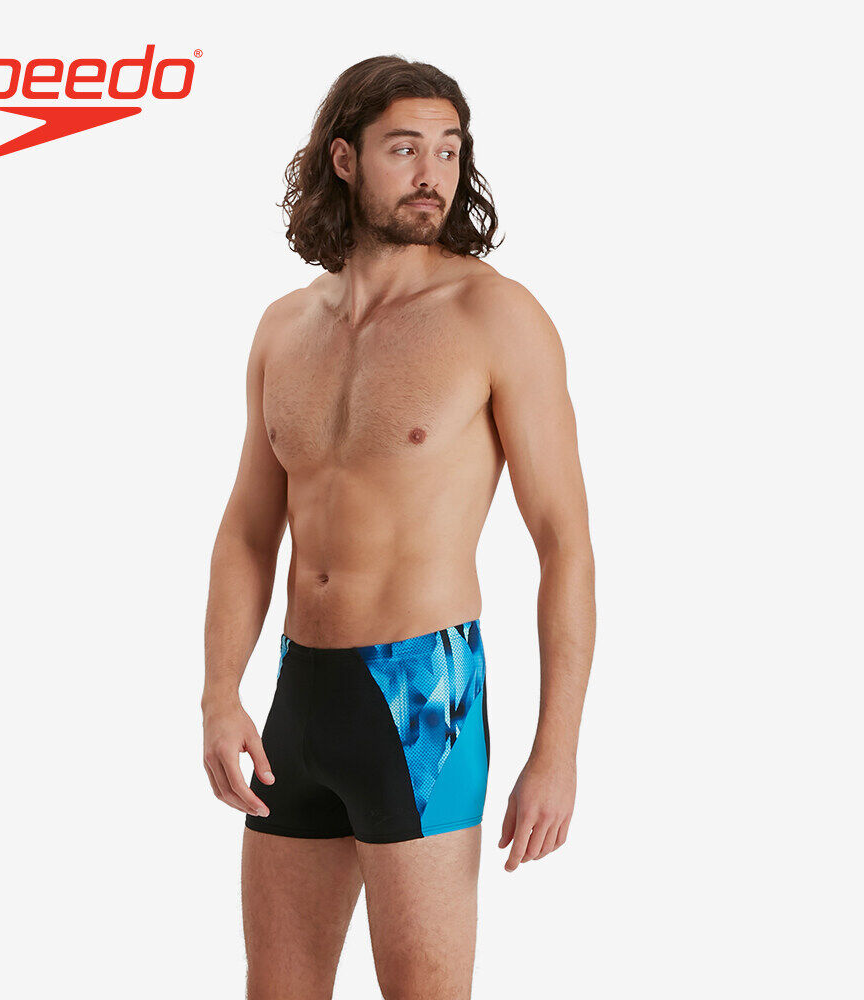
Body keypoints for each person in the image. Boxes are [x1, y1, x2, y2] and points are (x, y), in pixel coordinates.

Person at [202, 55, 596, 1000]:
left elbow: (564, 543)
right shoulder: (284, 327)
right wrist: (219, 693)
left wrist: (556, 750)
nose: (433, 173)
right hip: (300, 695)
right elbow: (249, 531)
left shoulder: (496, 316)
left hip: (425, 698)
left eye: (449, 150)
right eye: (405, 149)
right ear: (344, 159)